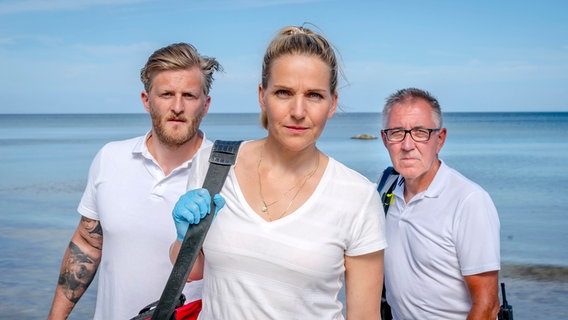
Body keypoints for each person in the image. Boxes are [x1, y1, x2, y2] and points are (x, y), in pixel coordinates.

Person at [169, 25, 387, 319]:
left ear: (332, 103)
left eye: (314, 95)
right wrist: (185, 237)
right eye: (284, 92)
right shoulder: (214, 164)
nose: (298, 111)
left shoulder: (358, 197)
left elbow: (364, 316)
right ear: (263, 96)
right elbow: (194, 272)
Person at [48, 43, 222, 320]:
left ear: (206, 103)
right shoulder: (110, 158)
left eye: (189, 95)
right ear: (146, 100)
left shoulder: (226, 172)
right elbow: (87, 244)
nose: (177, 106)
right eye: (166, 94)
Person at [379, 88, 501, 319]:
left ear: (440, 139)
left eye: (420, 132)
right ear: (385, 139)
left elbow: (487, 305)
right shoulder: (385, 190)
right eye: (397, 133)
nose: (407, 145)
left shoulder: (468, 201)